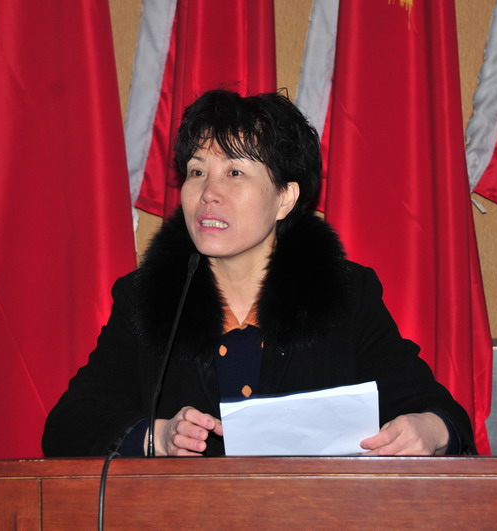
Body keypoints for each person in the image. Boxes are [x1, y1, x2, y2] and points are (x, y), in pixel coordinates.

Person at [42, 89, 475, 457]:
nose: (209, 193)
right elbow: (68, 425)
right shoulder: (149, 298)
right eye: (197, 172)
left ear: (284, 198)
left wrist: (429, 429)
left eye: (235, 172)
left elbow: (438, 413)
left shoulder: (343, 294)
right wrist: (158, 435)